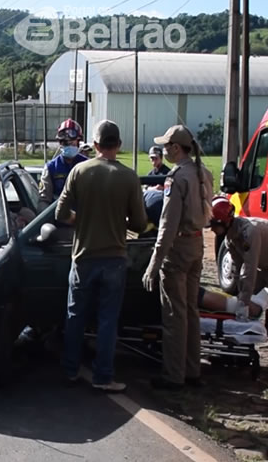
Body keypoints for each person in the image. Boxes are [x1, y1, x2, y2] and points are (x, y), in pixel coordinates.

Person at [56, 120, 147, 393]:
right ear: (118, 145)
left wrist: (80, 219)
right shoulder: (129, 177)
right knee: (108, 320)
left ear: (95, 145)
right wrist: (120, 220)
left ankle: (70, 370)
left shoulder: (79, 171)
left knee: (75, 316)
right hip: (115, 258)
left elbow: (60, 213)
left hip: (83, 256)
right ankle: (103, 376)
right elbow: (140, 224)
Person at [142, 125, 214, 391]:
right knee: (191, 311)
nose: (163, 150)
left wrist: (154, 264)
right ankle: (192, 370)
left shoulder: (176, 178)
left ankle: (174, 375)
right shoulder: (202, 172)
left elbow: (167, 225)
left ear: (175, 148)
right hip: (196, 244)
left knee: (175, 314)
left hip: (178, 247)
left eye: (166, 146)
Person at [209, 196, 268, 322]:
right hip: (265, 265)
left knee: (252, 289)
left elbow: (249, 269)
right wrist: (240, 297)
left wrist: (243, 303)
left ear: (224, 223)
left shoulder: (249, 233)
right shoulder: (230, 238)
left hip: (264, 265)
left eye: (214, 225)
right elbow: (237, 269)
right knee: (252, 291)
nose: (212, 229)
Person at [38, 118, 88, 211]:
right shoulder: (51, 168)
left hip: (84, 216)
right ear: (60, 143)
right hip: (59, 217)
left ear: (78, 142)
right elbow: (44, 200)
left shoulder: (87, 165)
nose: (69, 146)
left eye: (72, 143)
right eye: (65, 143)